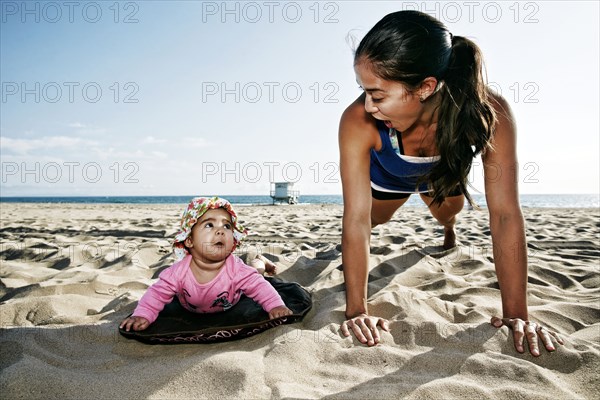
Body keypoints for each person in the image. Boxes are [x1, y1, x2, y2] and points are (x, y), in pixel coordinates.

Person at [338, 10, 563, 355]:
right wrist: (357, 311)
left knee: (448, 214)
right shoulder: (358, 120)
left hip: (440, 177)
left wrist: (517, 315)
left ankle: (448, 230)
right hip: (390, 177)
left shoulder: (488, 111)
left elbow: (504, 214)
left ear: (426, 87)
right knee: (371, 221)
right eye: (364, 91)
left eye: (378, 95)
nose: (368, 105)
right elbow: (354, 218)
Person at [120, 196, 292, 332]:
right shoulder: (178, 272)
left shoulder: (236, 270)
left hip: (234, 298)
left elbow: (259, 287)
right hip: (191, 308)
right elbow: (157, 293)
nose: (220, 230)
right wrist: (142, 315)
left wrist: (276, 306)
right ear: (189, 241)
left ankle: (260, 260)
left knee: (257, 273)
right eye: (209, 224)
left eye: (226, 226)